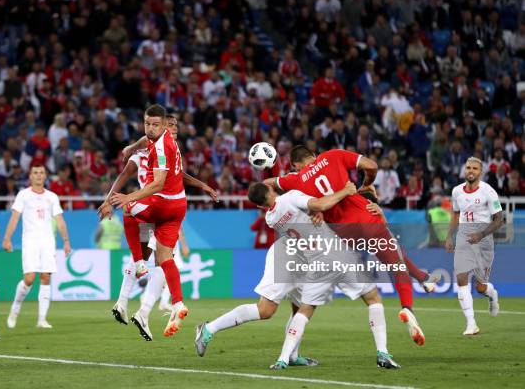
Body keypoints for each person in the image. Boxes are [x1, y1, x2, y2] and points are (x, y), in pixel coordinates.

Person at [195, 182, 400, 370]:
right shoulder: (292, 197)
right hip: (289, 255)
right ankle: (208, 329)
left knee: (299, 306)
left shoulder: (270, 217)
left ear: (259, 206)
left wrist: (317, 210)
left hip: (303, 254)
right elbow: (318, 201)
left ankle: (291, 356)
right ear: (272, 190)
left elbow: (310, 204)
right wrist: (342, 194)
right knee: (267, 310)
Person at [264, 146, 437, 346]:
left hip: (343, 233)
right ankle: (407, 307)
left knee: (393, 254)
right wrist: (366, 184)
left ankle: (424, 279)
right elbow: (372, 166)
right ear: (313, 154)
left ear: (296, 165)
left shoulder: (295, 179)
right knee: (395, 261)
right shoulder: (333, 155)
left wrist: (269, 170)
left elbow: (268, 184)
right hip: (365, 218)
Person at [106, 113, 215, 340]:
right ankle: (138, 307)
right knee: (151, 259)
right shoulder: (149, 149)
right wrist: (111, 199)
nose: (173, 129)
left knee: (155, 259)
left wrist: (203, 185)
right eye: (170, 125)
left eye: (175, 126)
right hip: (154, 206)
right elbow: (127, 172)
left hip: (155, 207)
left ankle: (127, 304)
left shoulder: (168, 147)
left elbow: (177, 174)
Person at [98, 105, 189, 337]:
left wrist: (119, 198)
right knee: (164, 259)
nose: (150, 128)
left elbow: (152, 182)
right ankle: (175, 304)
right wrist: (131, 146)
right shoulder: (160, 140)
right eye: (147, 124)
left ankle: (134, 282)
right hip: (175, 205)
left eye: (155, 124)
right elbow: (143, 143)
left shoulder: (159, 148)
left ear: (164, 126)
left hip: (155, 204)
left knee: (127, 209)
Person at [2, 164, 72, 329]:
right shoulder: (23, 195)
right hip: (30, 241)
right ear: (30, 176)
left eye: (41, 172)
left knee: (46, 277)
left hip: (48, 241)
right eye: (35, 172)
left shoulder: (52, 197)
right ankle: (15, 308)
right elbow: (14, 218)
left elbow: (60, 220)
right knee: (29, 278)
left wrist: (66, 241)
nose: (39, 175)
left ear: (45, 176)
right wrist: (7, 238)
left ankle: (42, 319)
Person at [446, 157, 502, 335]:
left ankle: (492, 294)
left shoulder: (488, 192)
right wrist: (449, 236)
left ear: (481, 172)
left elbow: (499, 218)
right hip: (463, 236)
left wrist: (482, 234)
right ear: (464, 170)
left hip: (483, 239)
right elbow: (456, 214)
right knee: (461, 278)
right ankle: (471, 324)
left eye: (475, 168)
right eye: (468, 167)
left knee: (480, 287)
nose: (471, 171)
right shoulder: (456, 192)